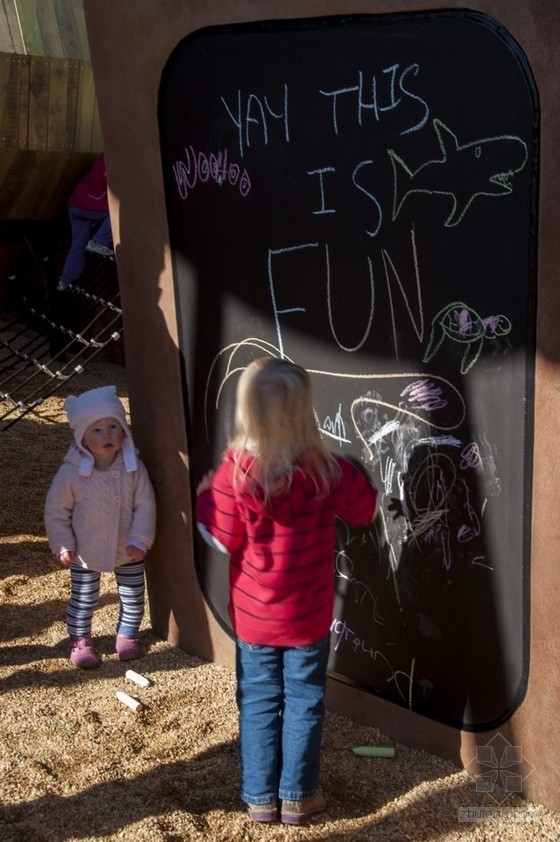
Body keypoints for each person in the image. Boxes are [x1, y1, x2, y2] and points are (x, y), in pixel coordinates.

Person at [196, 357, 379, 826]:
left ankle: (260, 797)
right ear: (305, 412)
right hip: (309, 617)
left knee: (258, 700)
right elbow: (364, 511)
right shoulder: (328, 471)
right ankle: (298, 796)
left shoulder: (235, 475)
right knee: (304, 701)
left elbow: (219, 538)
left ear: (247, 413)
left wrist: (204, 496)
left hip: (256, 619)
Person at [44, 385, 156, 668]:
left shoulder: (133, 468)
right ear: (82, 436)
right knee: (84, 597)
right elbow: (57, 510)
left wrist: (140, 539)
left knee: (132, 594)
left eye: (112, 426)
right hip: (86, 549)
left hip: (127, 545)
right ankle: (80, 639)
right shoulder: (71, 473)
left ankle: (128, 635)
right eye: (96, 430)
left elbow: (145, 504)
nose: (106, 434)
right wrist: (63, 544)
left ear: (124, 430)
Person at [57, 153, 114, 292]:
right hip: (88, 203)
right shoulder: (111, 162)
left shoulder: (102, 160)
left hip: (75, 205)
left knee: (78, 244)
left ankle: (65, 280)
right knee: (116, 213)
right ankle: (99, 242)